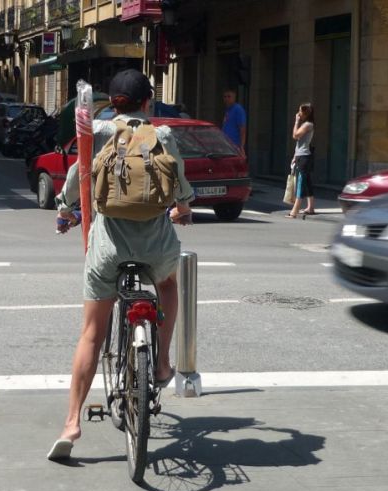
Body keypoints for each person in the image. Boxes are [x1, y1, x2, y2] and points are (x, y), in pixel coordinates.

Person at [47, 69, 195, 460]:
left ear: (112, 102)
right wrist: (181, 208)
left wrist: (65, 211)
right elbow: (178, 182)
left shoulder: (97, 132)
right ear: (148, 102)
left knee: (92, 334)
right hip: (156, 245)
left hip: (108, 248)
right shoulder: (161, 136)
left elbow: (78, 175)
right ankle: (162, 363)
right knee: (167, 286)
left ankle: (72, 422)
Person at [286, 103, 315, 218]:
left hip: (303, 157)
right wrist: (294, 156)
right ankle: (310, 207)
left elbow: (295, 135)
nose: (298, 113)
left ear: (305, 113)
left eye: (300, 111)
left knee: (300, 183)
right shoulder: (307, 124)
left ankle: (294, 211)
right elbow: (299, 143)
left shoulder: (308, 124)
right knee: (307, 182)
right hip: (301, 155)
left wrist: (296, 122)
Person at [221, 89, 246, 156]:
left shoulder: (238, 109)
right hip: (226, 144)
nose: (226, 99)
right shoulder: (227, 110)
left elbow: (242, 128)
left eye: (229, 96)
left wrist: (241, 146)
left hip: (234, 145)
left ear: (234, 97)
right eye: (225, 97)